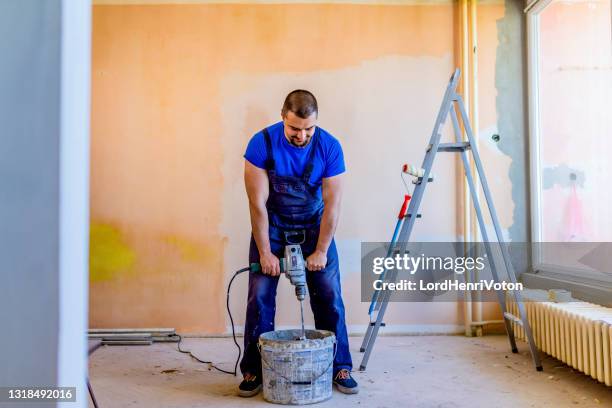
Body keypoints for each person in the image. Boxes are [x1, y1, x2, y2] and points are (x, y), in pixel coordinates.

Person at [239, 90, 358, 397]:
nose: (302, 135)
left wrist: (320, 251)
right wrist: (265, 252)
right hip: (273, 226)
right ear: (283, 117)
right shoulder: (261, 144)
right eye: (295, 129)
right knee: (260, 296)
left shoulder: (329, 147)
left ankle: (339, 366)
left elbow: (333, 207)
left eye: (309, 128)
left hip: (314, 227)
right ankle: (254, 369)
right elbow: (257, 205)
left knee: (329, 295)